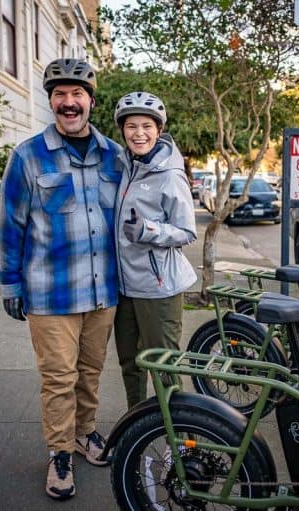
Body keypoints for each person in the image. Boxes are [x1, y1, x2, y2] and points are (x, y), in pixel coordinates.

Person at [0, 58, 123, 501]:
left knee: (91, 372)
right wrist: (10, 283)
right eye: (60, 95)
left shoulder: (114, 155)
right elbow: (9, 225)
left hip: (103, 290)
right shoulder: (28, 156)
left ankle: (85, 433)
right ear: (51, 101)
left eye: (77, 94)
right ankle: (60, 452)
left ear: (90, 100)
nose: (69, 103)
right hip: (51, 293)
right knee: (58, 379)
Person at [112, 92, 197, 409]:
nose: (139, 133)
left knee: (165, 367)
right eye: (131, 125)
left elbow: (187, 231)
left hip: (158, 288)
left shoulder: (170, 175)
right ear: (122, 130)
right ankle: (137, 426)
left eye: (147, 126)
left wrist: (149, 230)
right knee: (130, 364)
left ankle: (182, 442)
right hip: (124, 288)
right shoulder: (124, 167)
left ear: (159, 130)